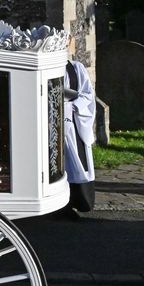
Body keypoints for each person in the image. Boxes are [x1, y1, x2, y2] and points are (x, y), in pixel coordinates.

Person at [63, 51, 96, 216]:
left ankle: (78, 200)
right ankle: (62, 206)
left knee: (74, 161)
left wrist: (72, 106)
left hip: (72, 122)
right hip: (49, 121)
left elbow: (87, 95)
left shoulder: (76, 68)